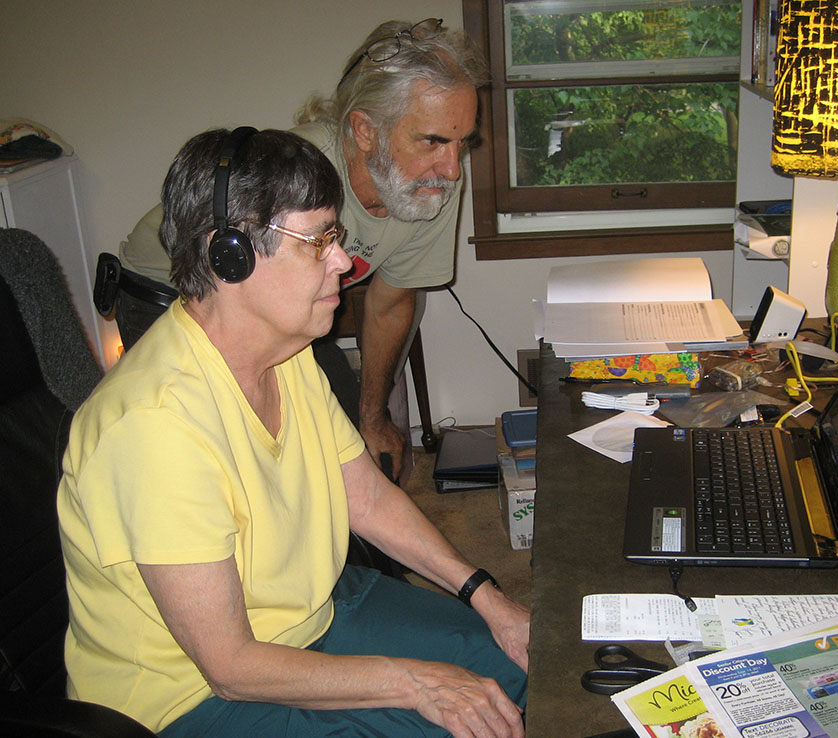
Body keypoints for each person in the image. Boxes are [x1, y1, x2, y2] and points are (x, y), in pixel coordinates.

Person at [58, 127, 528, 738]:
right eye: (318, 242)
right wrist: (416, 682)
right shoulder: (152, 427)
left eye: (336, 236)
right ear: (230, 256)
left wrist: (489, 597)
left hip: (311, 612)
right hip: (191, 698)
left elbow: (365, 496)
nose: (344, 261)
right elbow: (229, 666)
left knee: (510, 668)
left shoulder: (287, 352)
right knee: (444, 725)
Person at [117, 17, 487, 481]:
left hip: (274, 298)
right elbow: (246, 295)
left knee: (342, 431)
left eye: (462, 142)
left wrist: (372, 419)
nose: (452, 169)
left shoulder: (436, 184)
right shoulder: (304, 175)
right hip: (176, 284)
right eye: (433, 141)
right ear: (365, 131)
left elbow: (391, 303)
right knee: (239, 457)